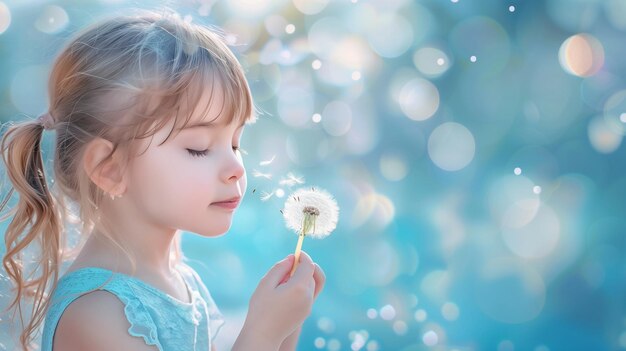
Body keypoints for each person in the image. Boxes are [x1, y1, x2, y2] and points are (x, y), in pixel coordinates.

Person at [0, 9, 325, 351]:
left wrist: (287, 325)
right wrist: (262, 333)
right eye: (198, 148)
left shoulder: (180, 278)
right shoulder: (96, 314)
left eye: (234, 143)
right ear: (110, 169)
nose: (236, 167)